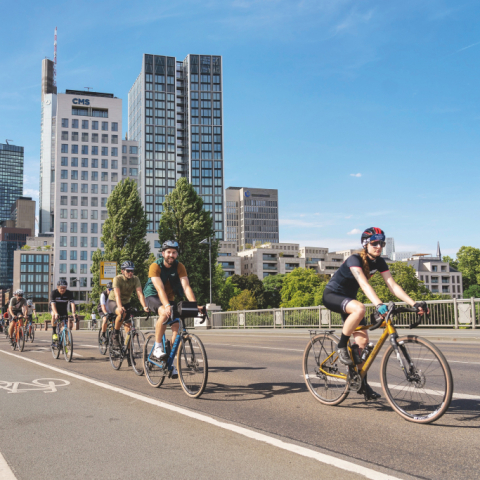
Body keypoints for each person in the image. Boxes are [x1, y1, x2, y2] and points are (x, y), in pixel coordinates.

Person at [322, 227, 429, 400]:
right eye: (374, 243)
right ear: (365, 244)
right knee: (360, 308)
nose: (379, 246)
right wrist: (379, 304)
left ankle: (360, 382)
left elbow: (392, 286)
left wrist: (414, 303)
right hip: (333, 295)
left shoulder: (379, 262)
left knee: (363, 341)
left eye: (382, 243)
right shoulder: (354, 259)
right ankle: (341, 345)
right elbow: (364, 285)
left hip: (350, 300)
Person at [143, 240, 203, 378]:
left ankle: (169, 360)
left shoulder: (179, 266)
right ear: (163, 253)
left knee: (177, 325)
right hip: (152, 295)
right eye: (168, 252)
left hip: (169, 297)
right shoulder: (155, 266)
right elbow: (159, 288)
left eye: (174, 252)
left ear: (177, 254)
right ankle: (158, 348)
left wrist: (194, 305)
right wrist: (167, 306)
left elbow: (186, 287)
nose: (171, 255)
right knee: (164, 313)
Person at [108, 261, 149, 349]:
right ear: (122, 271)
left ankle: (128, 350)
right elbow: (117, 295)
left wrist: (144, 306)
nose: (131, 273)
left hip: (126, 302)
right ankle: (115, 334)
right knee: (121, 313)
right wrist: (119, 306)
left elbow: (140, 294)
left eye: (132, 271)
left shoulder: (135, 279)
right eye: (128, 271)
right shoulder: (117, 279)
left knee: (129, 328)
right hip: (113, 301)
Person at [51, 279, 77, 343]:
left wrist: (73, 313)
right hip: (54, 308)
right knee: (54, 316)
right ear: (57, 287)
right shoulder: (54, 293)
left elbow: (72, 303)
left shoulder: (69, 293)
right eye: (61, 288)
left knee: (65, 324)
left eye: (64, 288)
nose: (63, 290)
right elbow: (53, 304)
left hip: (63, 310)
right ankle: (54, 332)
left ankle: (64, 338)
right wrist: (56, 313)